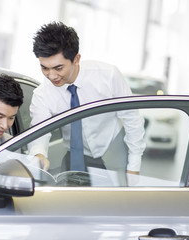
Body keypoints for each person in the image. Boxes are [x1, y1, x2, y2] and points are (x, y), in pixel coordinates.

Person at [29, 21, 146, 179]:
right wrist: (39, 154)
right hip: (73, 159)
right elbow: (39, 131)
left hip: (113, 154)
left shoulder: (108, 76)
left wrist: (134, 166)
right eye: (44, 68)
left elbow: (132, 118)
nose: (52, 76)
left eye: (58, 68)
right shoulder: (43, 94)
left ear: (76, 59)